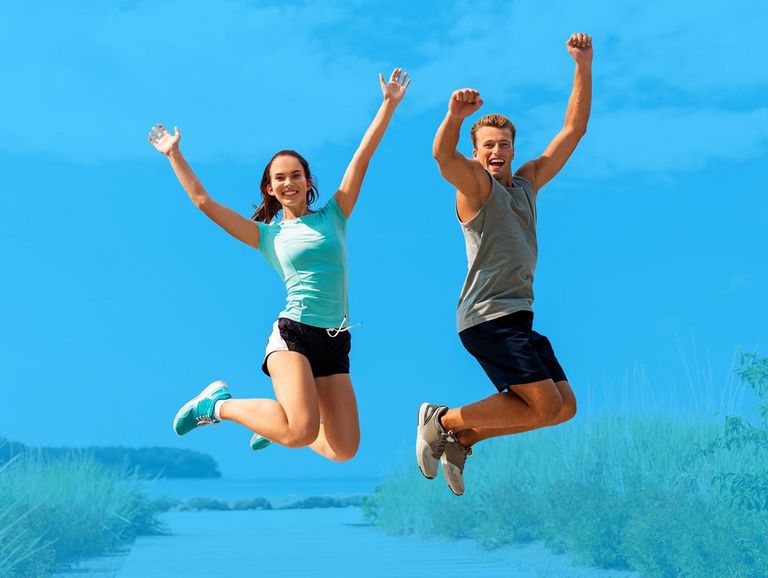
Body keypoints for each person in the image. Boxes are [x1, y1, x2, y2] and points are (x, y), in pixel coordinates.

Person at [149, 68, 410, 462]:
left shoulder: (335, 215)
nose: (289, 183)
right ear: (269, 188)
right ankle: (217, 405)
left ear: (308, 182)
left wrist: (388, 105)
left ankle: (275, 426)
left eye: (296, 176)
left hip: (336, 339)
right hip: (296, 335)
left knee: (344, 450)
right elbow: (205, 202)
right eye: (279, 179)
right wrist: (174, 155)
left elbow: (363, 155)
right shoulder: (266, 235)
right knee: (301, 430)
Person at [417, 34, 592, 495]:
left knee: (562, 408)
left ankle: (463, 438)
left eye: (504, 145)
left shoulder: (527, 185)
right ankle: (442, 420)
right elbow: (442, 156)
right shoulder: (476, 188)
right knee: (540, 404)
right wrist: (455, 118)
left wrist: (583, 66)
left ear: (514, 148)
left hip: (520, 317)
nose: (496, 152)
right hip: (487, 318)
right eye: (488, 145)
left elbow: (572, 132)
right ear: (477, 152)